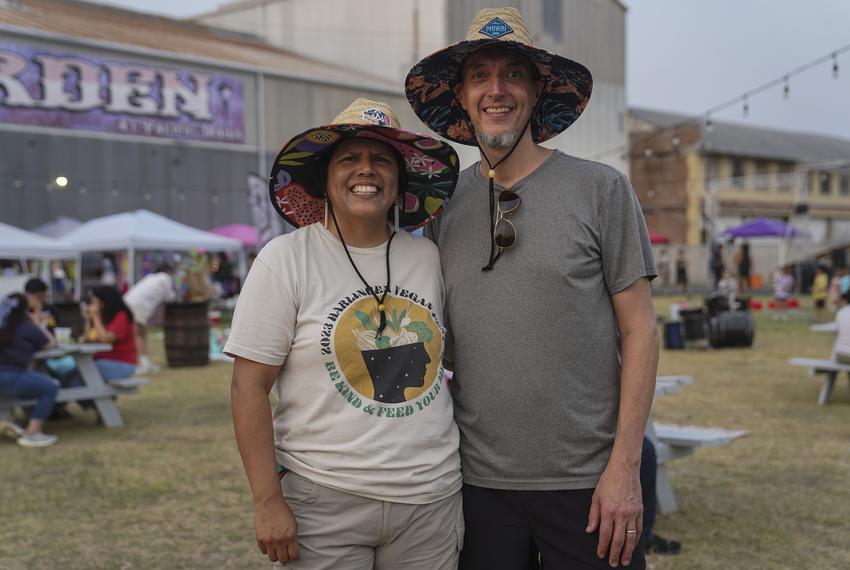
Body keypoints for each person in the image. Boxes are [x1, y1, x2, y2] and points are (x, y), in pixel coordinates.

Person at [406, 8, 658, 569]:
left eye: (513, 74)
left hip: (589, 484)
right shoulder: (443, 207)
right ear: (462, 97)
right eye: (479, 76)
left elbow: (641, 330)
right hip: (475, 484)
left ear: (537, 90)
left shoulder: (600, 189)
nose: (496, 90)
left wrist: (625, 468)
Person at [225, 99, 462, 568]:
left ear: (400, 182)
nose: (365, 171)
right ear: (324, 179)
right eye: (349, 159)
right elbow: (248, 387)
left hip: (430, 499)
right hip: (323, 498)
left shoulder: (429, 259)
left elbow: (454, 358)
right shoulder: (286, 259)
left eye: (380, 160)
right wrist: (267, 500)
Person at [0, 293, 60, 447]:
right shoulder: (26, 327)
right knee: (50, 387)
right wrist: (36, 321)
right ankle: (32, 434)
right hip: (12, 376)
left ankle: (7, 421)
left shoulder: (3, 326)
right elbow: (50, 343)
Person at [63, 285, 137, 388]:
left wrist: (96, 317)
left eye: (94, 301)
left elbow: (106, 339)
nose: (93, 304)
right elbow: (88, 338)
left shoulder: (121, 316)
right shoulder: (103, 316)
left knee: (78, 376)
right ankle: (94, 403)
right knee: (70, 378)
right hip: (102, 361)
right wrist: (88, 319)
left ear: (104, 301)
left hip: (120, 364)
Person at [123, 264, 176, 373]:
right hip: (138, 305)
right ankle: (138, 364)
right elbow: (170, 297)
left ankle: (144, 362)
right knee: (138, 334)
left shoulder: (151, 277)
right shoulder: (165, 278)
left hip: (130, 302)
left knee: (141, 333)